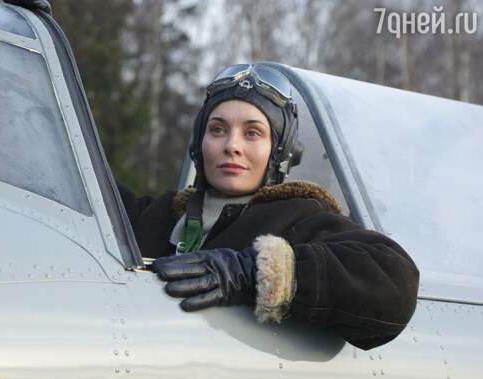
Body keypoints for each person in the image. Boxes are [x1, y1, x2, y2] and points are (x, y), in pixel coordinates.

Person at [118, 63, 419, 350]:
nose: (231, 145)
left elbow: (396, 283)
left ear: (279, 151)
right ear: (199, 143)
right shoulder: (157, 215)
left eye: (252, 133)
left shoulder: (299, 217)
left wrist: (254, 271)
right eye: (218, 129)